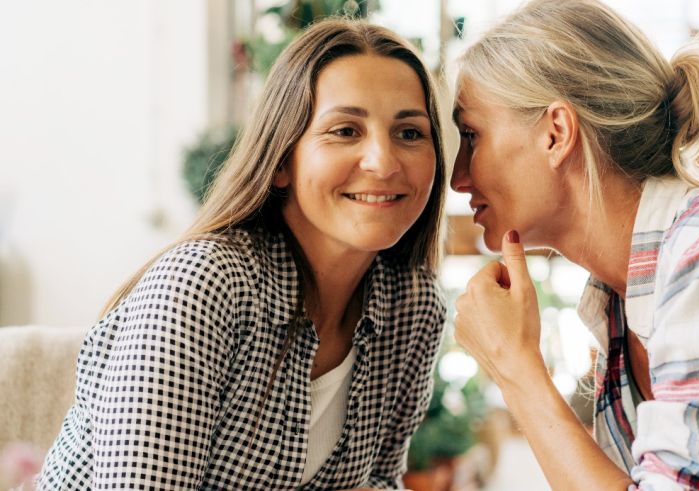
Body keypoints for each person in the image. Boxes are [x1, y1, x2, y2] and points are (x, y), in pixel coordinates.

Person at [449, 0, 699, 489]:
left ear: (556, 133)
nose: (458, 177)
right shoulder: (619, 298)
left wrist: (515, 367)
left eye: (472, 134)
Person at [38, 19, 447, 491]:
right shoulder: (202, 285)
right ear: (279, 164)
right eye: (345, 130)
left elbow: (380, 483)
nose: (384, 160)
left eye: (410, 133)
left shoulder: (412, 306)